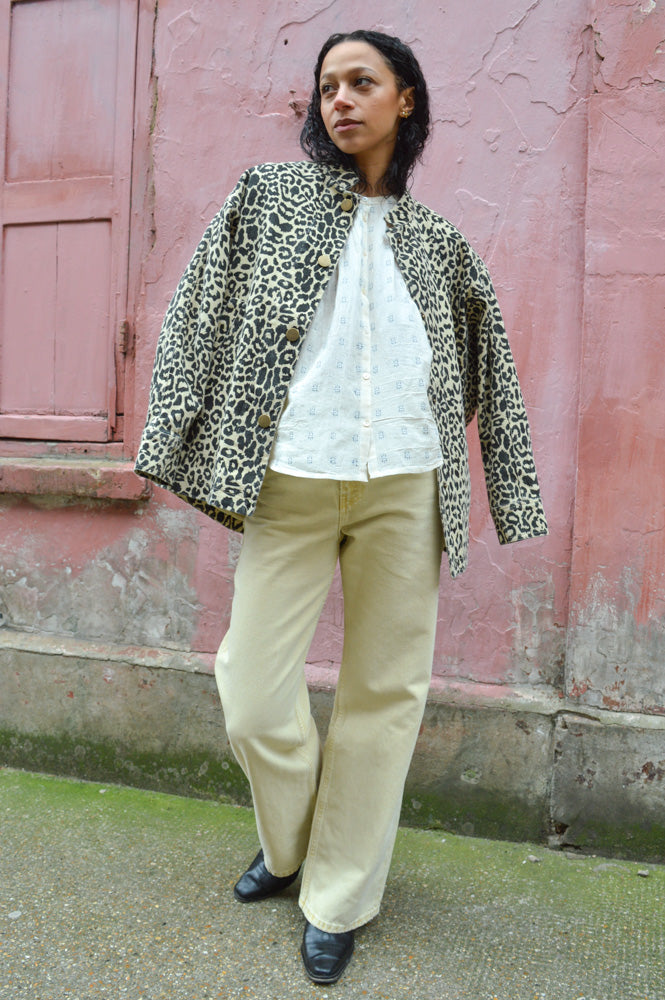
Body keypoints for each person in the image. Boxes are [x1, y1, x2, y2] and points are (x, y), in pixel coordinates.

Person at [135, 28, 547, 985]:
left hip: (407, 481)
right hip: (291, 475)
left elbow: (492, 372)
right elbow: (197, 312)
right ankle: (292, 845)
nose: (340, 100)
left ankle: (338, 897)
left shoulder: (439, 242)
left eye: (362, 82)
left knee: (384, 696)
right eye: (327, 86)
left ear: (406, 100)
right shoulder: (265, 198)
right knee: (250, 687)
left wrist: (508, 490)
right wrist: (175, 432)